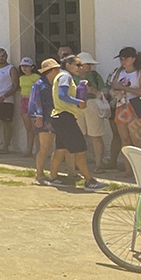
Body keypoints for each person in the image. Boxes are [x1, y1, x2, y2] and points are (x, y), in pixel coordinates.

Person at [45, 55, 106, 190]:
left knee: (61, 149)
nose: (80, 67)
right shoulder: (65, 77)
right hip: (66, 117)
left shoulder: (62, 76)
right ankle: (89, 181)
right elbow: (62, 95)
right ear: (68, 65)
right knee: (80, 150)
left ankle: (53, 177)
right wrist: (79, 102)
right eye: (78, 65)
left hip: (59, 117)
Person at [108, 46, 141, 173]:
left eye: (125, 58)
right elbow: (112, 88)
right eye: (121, 58)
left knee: (137, 139)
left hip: (135, 107)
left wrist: (125, 89)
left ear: (133, 59)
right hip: (121, 106)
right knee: (124, 139)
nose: (122, 61)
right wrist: (116, 93)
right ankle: (128, 169)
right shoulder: (119, 71)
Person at [74, 52, 109, 170]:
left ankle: (99, 164)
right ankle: (79, 163)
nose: (89, 66)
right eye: (87, 64)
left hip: (92, 104)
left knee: (96, 136)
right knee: (79, 136)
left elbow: (104, 92)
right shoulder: (71, 76)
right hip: (77, 106)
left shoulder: (95, 76)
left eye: (90, 64)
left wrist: (93, 91)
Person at [28, 61, 57, 184]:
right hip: (44, 118)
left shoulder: (54, 83)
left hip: (54, 116)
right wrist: (38, 116)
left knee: (52, 145)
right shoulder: (39, 84)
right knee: (44, 146)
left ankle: (51, 172)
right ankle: (39, 173)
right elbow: (35, 101)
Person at [0, 48, 19, 153]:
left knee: (6, 124)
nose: (0, 58)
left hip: (6, 101)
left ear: (6, 56)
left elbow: (15, 86)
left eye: (2, 56)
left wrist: (4, 97)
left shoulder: (11, 69)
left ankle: (6, 147)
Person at [17, 57, 39, 156]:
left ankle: (39, 151)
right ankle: (29, 150)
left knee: (36, 128)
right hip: (24, 101)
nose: (24, 68)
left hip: (33, 101)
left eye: (27, 66)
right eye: (22, 66)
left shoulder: (36, 77)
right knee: (28, 128)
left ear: (32, 67)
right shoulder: (21, 78)